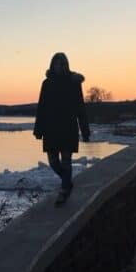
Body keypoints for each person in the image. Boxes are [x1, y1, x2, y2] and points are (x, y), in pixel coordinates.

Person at [33, 52, 90, 206]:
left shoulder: (73, 83)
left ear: (66, 66)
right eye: (56, 64)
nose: (58, 67)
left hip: (68, 127)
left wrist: (85, 130)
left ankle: (64, 191)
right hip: (51, 128)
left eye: (61, 64)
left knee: (66, 161)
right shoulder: (47, 83)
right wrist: (38, 129)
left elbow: (80, 107)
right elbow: (42, 108)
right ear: (52, 65)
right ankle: (67, 181)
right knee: (53, 162)